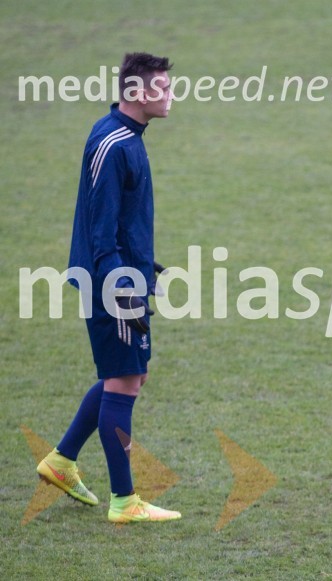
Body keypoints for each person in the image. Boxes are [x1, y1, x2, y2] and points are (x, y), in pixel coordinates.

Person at [36, 52, 181, 523]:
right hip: (109, 283)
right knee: (123, 381)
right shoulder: (112, 143)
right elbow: (100, 231)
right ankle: (124, 501)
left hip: (124, 274)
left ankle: (61, 460)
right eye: (163, 88)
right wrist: (121, 288)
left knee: (131, 375)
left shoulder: (130, 137)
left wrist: (143, 264)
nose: (171, 95)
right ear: (136, 92)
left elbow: (120, 219)